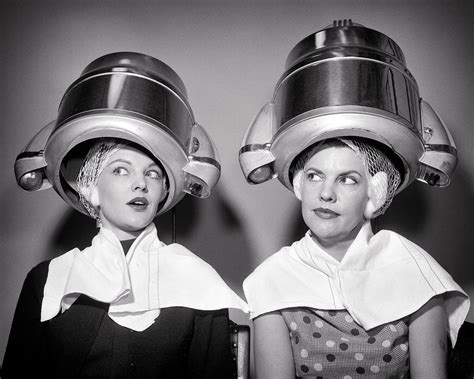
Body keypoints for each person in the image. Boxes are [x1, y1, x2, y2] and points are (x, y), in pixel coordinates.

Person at [238, 20, 470, 378]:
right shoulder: (271, 280)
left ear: (374, 195)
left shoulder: (418, 277)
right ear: (300, 185)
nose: (325, 193)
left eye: (347, 179)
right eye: (315, 176)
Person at [3, 52, 248, 378]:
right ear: (90, 189)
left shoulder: (199, 282)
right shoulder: (47, 281)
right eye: (121, 170)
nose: (140, 184)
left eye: (153, 174)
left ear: (164, 191)